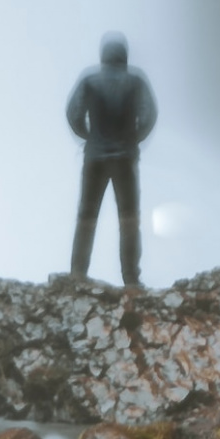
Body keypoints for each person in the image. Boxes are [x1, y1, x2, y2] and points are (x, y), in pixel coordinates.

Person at [62, 36, 158, 295]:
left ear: (103, 54)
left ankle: (78, 273)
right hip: (125, 159)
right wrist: (133, 139)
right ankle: (131, 279)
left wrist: (89, 137)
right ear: (125, 54)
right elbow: (149, 116)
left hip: (94, 158)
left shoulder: (89, 79)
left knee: (86, 217)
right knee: (128, 220)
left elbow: (73, 114)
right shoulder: (136, 80)